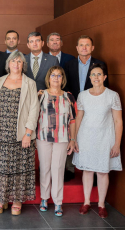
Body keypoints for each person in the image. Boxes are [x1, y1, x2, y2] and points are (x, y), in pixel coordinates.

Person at [0, 51, 40, 215]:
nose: (16, 64)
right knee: (2, 167)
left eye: (19, 61)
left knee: (19, 167)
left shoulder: (29, 83)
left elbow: (34, 108)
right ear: (8, 64)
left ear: (23, 64)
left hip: (21, 133)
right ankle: (2, 199)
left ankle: (17, 200)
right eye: (13, 61)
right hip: (1, 132)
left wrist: (28, 133)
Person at [73, 63, 122, 219]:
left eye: (99, 74)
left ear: (104, 77)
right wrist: (74, 139)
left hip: (105, 138)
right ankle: (86, 201)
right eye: (93, 74)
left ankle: (101, 204)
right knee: (87, 170)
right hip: (85, 137)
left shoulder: (113, 95)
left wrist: (117, 143)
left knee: (102, 171)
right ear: (89, 77)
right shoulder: (82, 95)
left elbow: (118, 121)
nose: (96, 77)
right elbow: (78, 117)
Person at [63, 35, 108, 181]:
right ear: (76, 48)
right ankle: (69, 169)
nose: (84, 48)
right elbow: (65, 86)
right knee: (71, 134)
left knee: (91, 136)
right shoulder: (69, 65)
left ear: (92, 48)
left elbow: (105, 86)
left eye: (87, 45)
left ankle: (93, 171)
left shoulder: (100, 64)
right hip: (73, 105)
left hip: (93, 106)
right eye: (81, 45)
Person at [36, 66, 77, 217]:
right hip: (43, 137)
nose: (56, 78)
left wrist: (73, 139)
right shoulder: (41, 94)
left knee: (58, 169)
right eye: (53, 75)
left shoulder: (69, 97)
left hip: (62, 138)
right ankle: (44, 199)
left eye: (59, 76)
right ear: (48, 77)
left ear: (62, 79)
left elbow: (72, 120)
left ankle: (58, 201)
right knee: (45, 168)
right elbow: (35, 116)